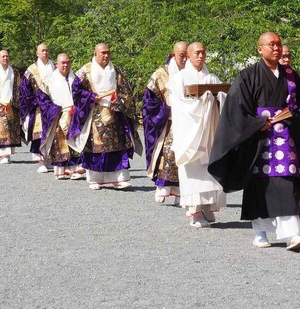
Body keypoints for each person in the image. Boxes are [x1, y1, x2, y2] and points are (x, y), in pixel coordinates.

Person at [208, 32, 300, 250]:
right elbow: (235, 110)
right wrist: (257, 123)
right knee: (259, 185)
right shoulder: (247, 76)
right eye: (271, 44)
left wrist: (292, 115)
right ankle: (260, 232)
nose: (276, 48)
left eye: (279, 44)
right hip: (259, 139)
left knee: (287, 180)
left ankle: (292, 234)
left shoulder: (291, 76)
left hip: (285, 138)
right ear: (259, 49)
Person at [168, 42, 227, 228]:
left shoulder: (212, 78)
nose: (200, 56)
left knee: (210, 170)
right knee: (193, 171)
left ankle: (207, 206)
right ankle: (194, 211)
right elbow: (179, 107)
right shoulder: (180, 78)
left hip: (210, 131)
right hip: (191, 133)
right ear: (188, 56)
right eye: (197, 53)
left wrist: (215, 99)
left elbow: (224, 98)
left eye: (203, 53)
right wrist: (203, 102)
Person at [69, 43, 140, 190]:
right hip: (94, 114)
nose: (106, 56)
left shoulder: (116, 71)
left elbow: (126, 91)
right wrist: (91, 97)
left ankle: (120, 178)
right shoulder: (85, 71)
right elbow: (76, 91)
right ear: (95, 54)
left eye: (108, 53)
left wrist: (119, 100)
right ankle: (95, 178)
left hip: (113, 113)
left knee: (117, 146)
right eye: (102, 53)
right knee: (96, 147)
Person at [142, 41, 188, 205]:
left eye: (186, 56)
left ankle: (182, 191)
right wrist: (165, 109)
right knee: (168, 154)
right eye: (181, 56)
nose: (184, 59)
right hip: (169, 122)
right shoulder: (160, 74)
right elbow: (149, 102)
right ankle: (164, 188)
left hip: (190, 121)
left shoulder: (193, 73)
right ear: (173, 54)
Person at [40, 53, 83, 180]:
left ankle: (76, 169)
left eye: (68, 62)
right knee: (60, 143)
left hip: (74, 114)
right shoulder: (48, 81)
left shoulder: (76, 79)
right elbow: (42, 100)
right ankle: (61, 170)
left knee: (75, 141)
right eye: (62, 63)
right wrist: (54, 109)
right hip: (58, 114)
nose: (65, 65)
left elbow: (81, 95)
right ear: (56, 64)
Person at [0, 49, 24, 164]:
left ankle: (9, 152)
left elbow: (18, 89)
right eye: (3, 57)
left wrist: (15, 102)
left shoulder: (15, 73)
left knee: (11, 128)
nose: (5, 58)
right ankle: (3, 154)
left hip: (12, 104)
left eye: (7, 56)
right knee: (2, 128)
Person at [20, 43, 56, 173]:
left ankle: (50, 159)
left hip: (53, 105)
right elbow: (25, 91)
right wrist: (35, 101)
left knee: (52, 133)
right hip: (38, 107)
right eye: (42, 51)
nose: (45, 53)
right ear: (37, 53)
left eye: (47, 50)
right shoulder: (31, 70)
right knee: (39, 133)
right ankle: (41, 161)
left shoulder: (55, 67)